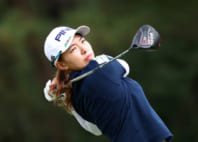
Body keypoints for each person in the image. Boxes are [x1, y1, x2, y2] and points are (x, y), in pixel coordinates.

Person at [43, 25, 173, 142]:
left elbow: (95, 130)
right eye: (74, 49)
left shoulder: (76, 98)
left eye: (83, 41)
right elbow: (125, 66)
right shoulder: (102, 69)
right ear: (61, 64)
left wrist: (62, 92)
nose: (84, 49)